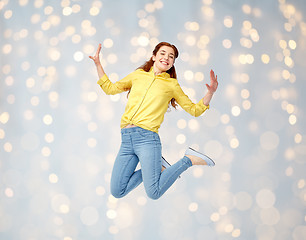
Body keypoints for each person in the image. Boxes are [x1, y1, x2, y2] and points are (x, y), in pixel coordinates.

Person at [89, 42, 218, 200]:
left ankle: (188, 160)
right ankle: (159, 166)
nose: (166, 58)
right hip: (126, 139)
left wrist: (210, 93)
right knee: (117, 191)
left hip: (147, 140)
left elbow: (194, 110)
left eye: (171, 57)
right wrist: (98, 64)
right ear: (154, 56)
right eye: (163, 53)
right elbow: (110, 88)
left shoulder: (172, 85)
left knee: (154, 192)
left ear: (172, 64)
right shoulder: (138, 75)